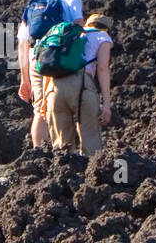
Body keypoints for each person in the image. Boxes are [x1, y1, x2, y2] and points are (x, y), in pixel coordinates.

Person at [17, 0, 83, 147]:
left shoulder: (32, 6)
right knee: (67, 105)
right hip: (61, 58)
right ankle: (65, 150)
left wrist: (25, 80)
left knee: (40, 109)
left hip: (36, 58)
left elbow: (23, 45)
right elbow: (79, 25)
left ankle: (40, 153)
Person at [46, 14, 114, 156]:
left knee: (61, 146)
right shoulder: (103, 36)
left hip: (55, 86)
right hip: (81, 85)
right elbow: (102, 68)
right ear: (106, 29)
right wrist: (106, 104)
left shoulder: (71, 35)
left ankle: (61, 174)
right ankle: (91, 175)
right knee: (90, 139)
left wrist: (46, 95)